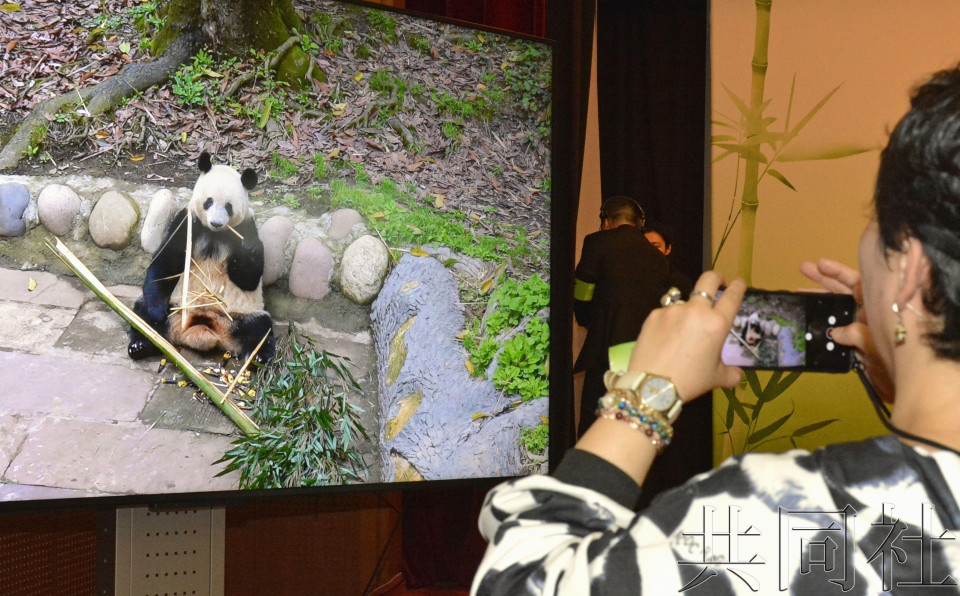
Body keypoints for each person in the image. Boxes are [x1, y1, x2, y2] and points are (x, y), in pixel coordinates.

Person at [472, 66, 960, 594]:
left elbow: (521, 580)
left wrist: (642, 400)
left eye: (875, 215)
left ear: (910, 266)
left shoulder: (780, 517)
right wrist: (901, 370)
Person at [573, 196, 691, 437]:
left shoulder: (597, 242)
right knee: (629, 421)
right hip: (640, 351)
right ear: (639, 223)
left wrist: (585, 318)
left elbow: (583, 288)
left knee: (593, 419)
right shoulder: (654, 254)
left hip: (606, 344)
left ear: (606, 221)